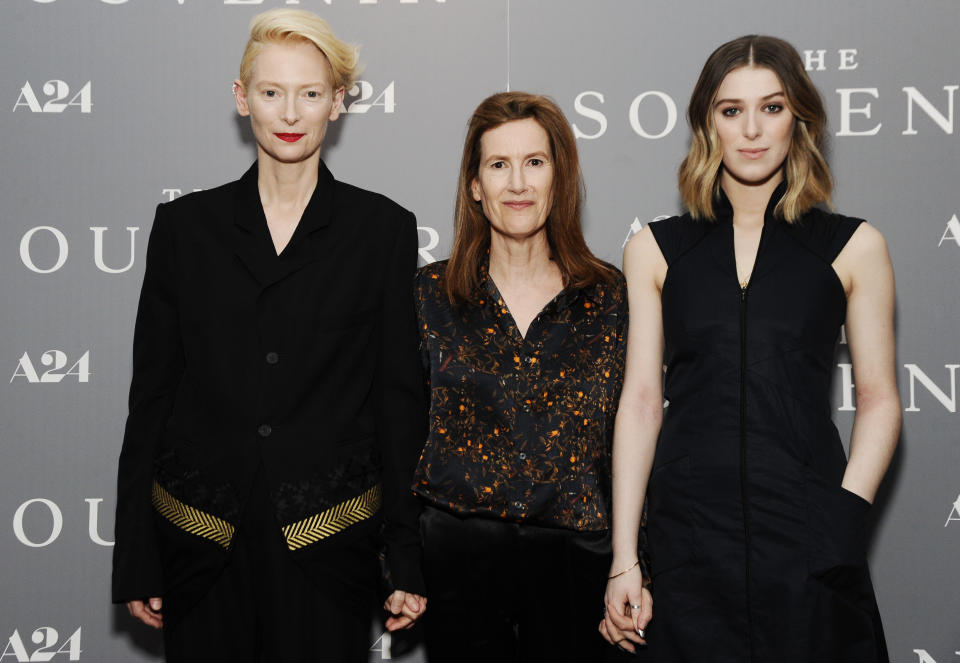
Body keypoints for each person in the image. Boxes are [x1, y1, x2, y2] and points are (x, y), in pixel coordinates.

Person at [111, 9, 427, 661]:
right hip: (199, 541)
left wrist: (405, 555)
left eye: (310, 93)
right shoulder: (184, 228)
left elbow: (398, 403)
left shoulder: (382, 230)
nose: (290, 111)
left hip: (329, 543)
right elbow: (151, 400)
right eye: (271, 91)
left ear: (337, 103)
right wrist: (136, 559)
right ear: (240, 97)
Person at [601, 35, 900, 662]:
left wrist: (844, 520)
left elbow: (878, 400)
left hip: (809, 533)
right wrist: (625, 556)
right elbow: (641, 403)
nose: (753, 130)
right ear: (707, 123)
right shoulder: (655, 250)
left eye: (772, 107)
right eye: (731, 110)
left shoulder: (854, 246)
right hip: (687, 538)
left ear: (801, 119)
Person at [412, 91, 652, 663]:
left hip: (578, 564)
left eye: (534, 163)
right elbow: (395, 432)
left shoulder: (610, 296)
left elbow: (636, 429)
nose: (517, 183)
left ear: (559, 177)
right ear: (475, 185)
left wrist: (632, 559)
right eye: (498, 165)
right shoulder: (429, 295)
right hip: (457, 565)